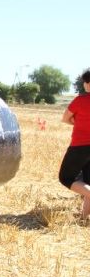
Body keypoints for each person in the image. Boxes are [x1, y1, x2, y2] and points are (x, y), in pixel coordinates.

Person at [59, 69, 90, 220]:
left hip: (80, 146)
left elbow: (65, 119)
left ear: (87, 84)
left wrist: (78, 122)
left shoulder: (80, 100)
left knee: (66, 178)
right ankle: (83, 218)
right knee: (87, 183)